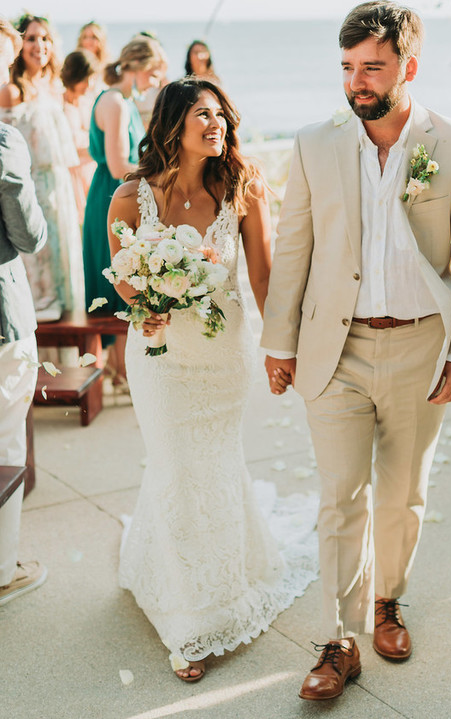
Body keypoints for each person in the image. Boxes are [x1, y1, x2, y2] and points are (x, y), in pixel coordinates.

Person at [261, 0, 451, 701]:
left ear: (409, 66)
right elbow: (295, 245)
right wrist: (279, 341)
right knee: (340, 496)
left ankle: (387, 600)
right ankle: (338, 639)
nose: (357, 81)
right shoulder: (314, 143)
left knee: (402, 494)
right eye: (347, 67)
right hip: (332, 348)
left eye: (373, 66)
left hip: (420, 345)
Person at [108, 77, 317, 682]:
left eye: (221, 114)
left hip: (224, 357)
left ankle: (222, 582)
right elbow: (122, 278)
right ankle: (189, 619)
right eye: (203, 114)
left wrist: (284, 349)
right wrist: (150, 297)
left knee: (215, 466)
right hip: (159, 359)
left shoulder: (241, 191)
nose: (216, 123)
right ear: (173, 123)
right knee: (175, 466)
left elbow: (262, 280)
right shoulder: (132, 197)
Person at [83, 35, 167, 390]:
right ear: (136, 68)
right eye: (152, 75)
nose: (153, 83)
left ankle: (122, 374)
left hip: (114, 194)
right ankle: (121, 376)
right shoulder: (116, 103)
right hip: (111, 199)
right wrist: (161, 176)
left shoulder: (122, 101)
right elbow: (119, 164)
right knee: (118, 279)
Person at [0, 18, 48, 606]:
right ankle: (4, 566)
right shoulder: (5, 141)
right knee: (5, 439)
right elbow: (29, 234)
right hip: (1, 319)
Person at [0, 15, 84, 319]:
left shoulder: (52, 87)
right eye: (32, 38)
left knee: (67, 264)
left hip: (60, 187)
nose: (40, 45)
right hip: (32, 188)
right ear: (18, 46)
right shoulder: (12, 91)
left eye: (45, 38)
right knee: (41, 267)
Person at [61, 49, 98, 222]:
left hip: (89, 172)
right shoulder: (59, 105)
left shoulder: (89, 102)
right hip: (69, 175)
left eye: (91, 78)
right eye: (85, 78)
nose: (89, 84)